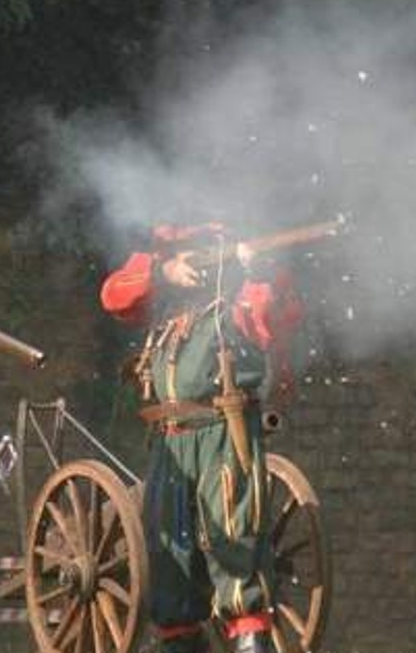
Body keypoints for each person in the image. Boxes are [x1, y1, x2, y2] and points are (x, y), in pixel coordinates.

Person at [100, 222, 303, 653]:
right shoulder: (165, 299)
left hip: (221, 429)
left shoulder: (241, 295)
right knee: (168, 548)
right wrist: (164, 271)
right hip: (169, 438)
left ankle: (249, 637)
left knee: (232, 539)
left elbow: (268, 318)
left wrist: (257, 273)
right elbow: (115, 295)